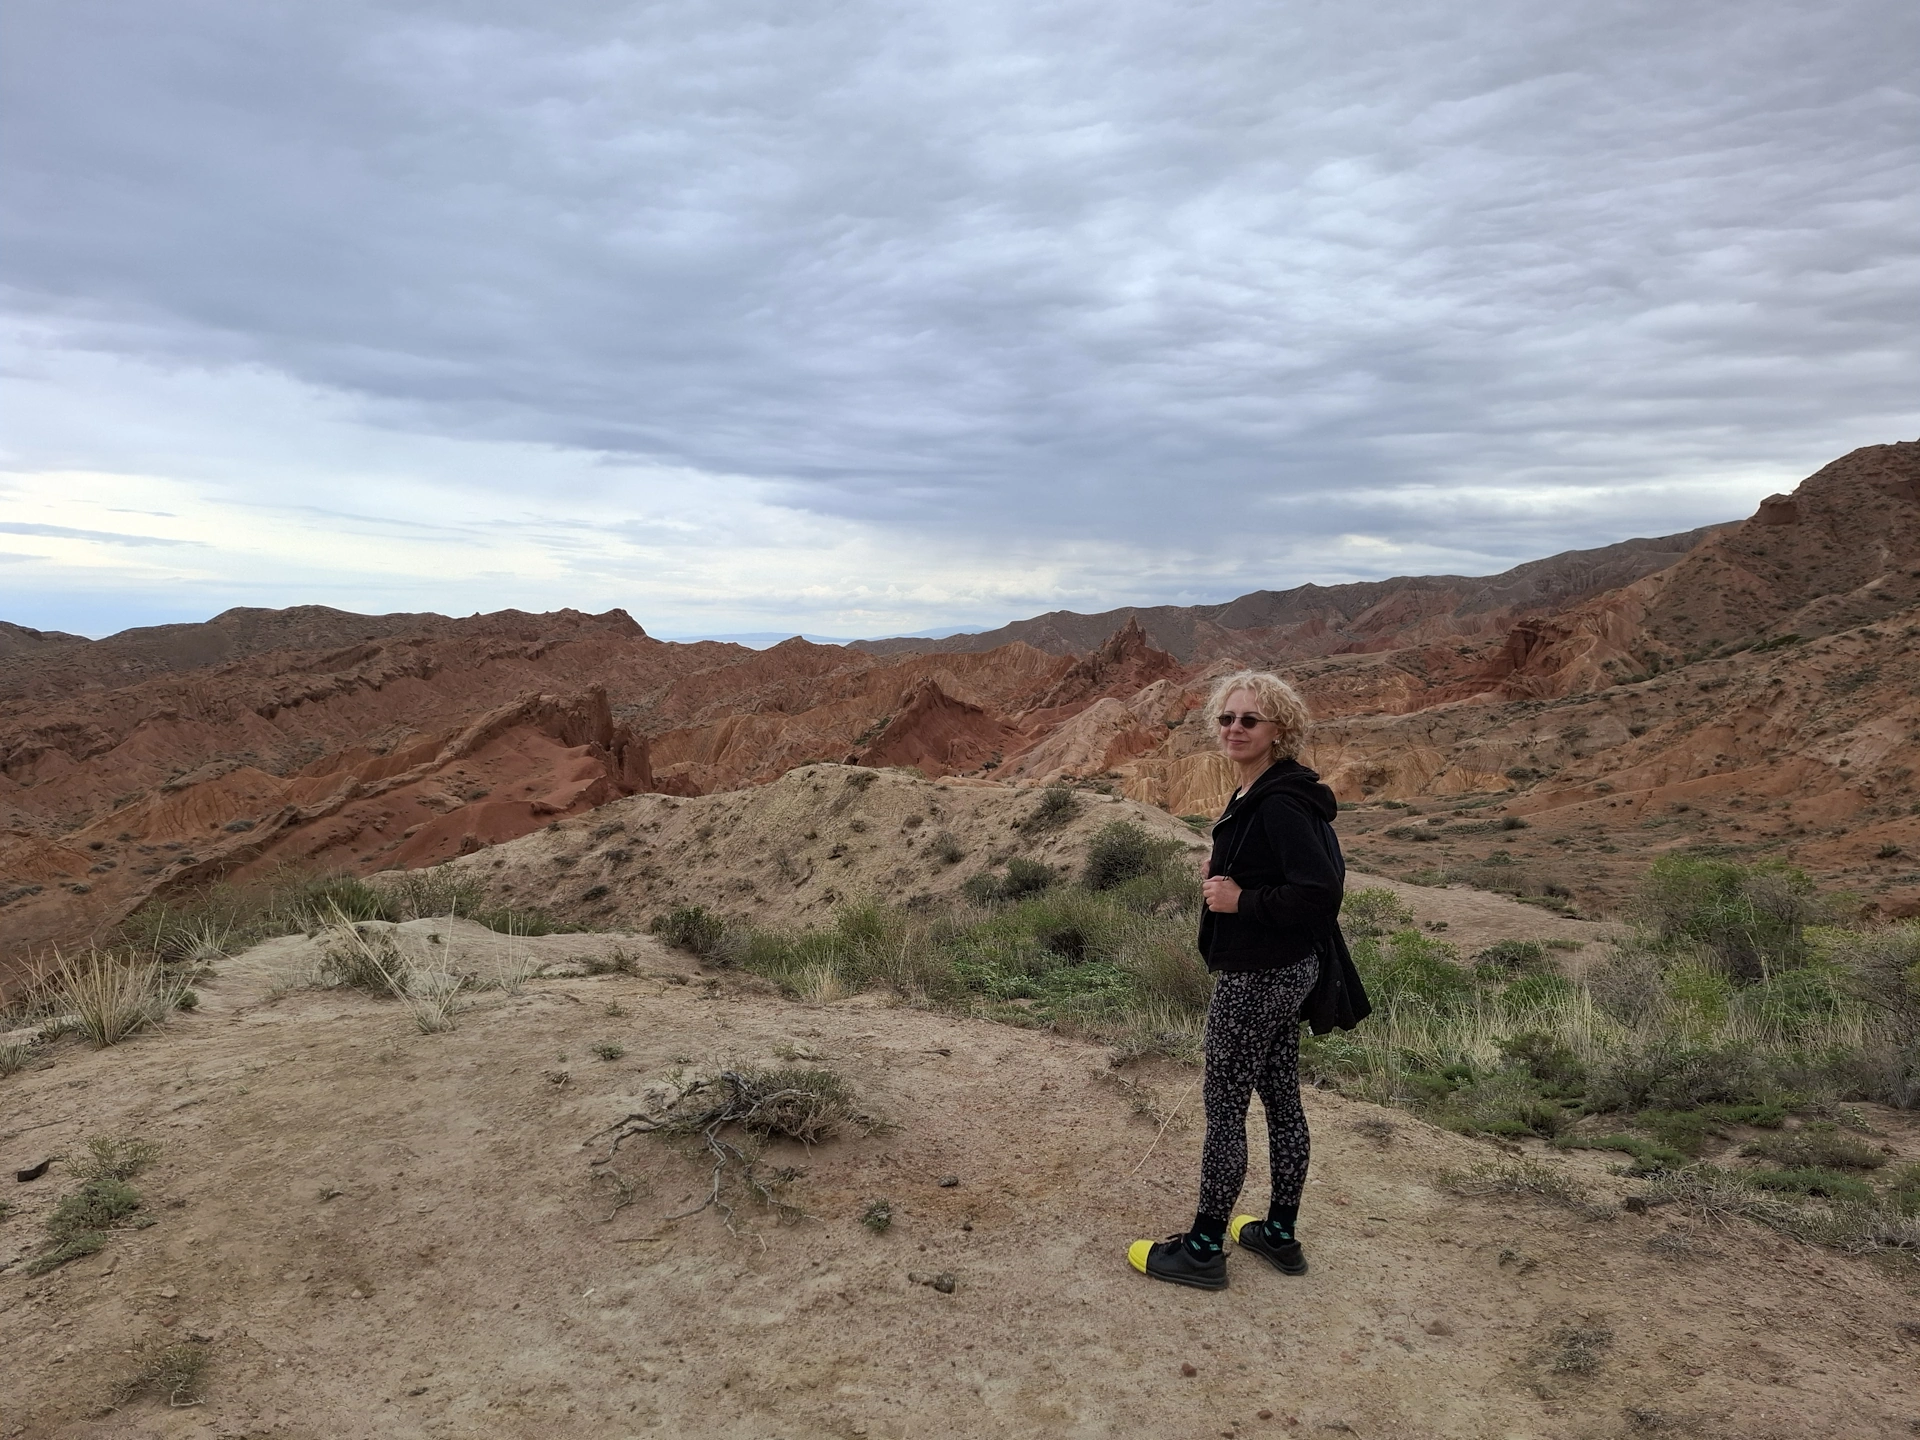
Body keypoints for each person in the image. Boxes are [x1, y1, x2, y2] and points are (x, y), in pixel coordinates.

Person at [1127, 668, 1346, 1290]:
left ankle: (1202, 1249)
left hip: (1259, 974)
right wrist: (1226, 866)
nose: (1234, 728)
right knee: (1280, 1096)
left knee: (1225, 1106)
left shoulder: (1278, 801)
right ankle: (1279, 1231)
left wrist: (1240, 900)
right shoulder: (1268, 789)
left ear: (1280, 729)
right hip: (1285, 969)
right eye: (1226, 718)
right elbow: (1280, 868)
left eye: (1249, 719)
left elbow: (1319, 893)